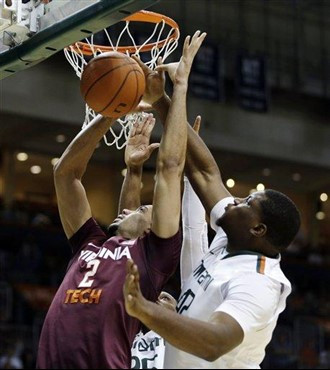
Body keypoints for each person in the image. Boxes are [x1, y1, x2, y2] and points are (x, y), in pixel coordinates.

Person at [36, 30, 206, 369]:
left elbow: (170, 168)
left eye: (143, 208)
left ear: (149, 230)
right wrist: (111, 112)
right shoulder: (90, 244)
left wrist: (178, 90)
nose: (132, 206)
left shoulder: (154, 256)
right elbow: (65, 175)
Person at [123, 53, 301, 368]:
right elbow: (206, 173)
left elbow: (214, 343)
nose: (234, 200)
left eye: (247, 203)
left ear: (258, 230)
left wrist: (145, 309)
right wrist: (162, 99)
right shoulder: (231, 235)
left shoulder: (258, 282)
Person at [127, 118, 209, 369]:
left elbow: (195, 234)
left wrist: (189, 166)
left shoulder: (189, 341)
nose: (163, 297)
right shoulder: (125, 333)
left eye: (170, 299)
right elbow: (127, 238)